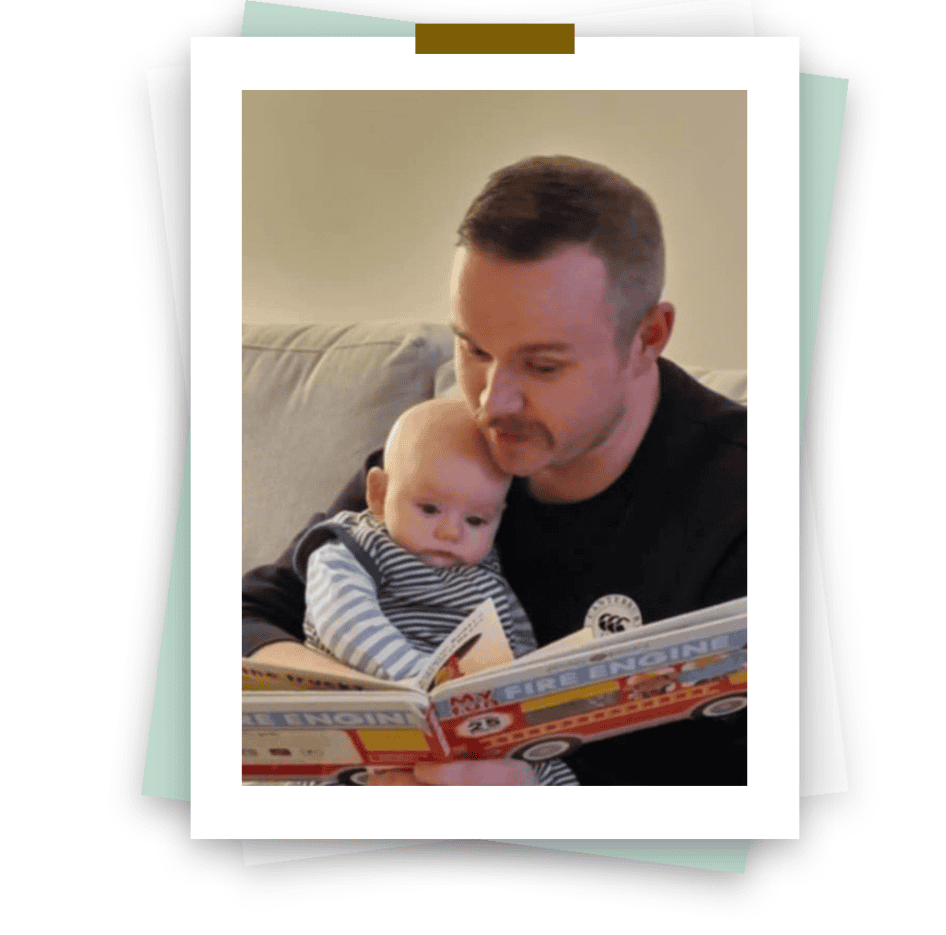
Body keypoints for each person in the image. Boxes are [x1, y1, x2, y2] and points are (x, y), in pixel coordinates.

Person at [243, 154, 747, 786]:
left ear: (649, 337)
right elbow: (249, 612)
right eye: (474, 349)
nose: (489, 401)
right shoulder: (446, 448)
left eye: (541, 365)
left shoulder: (748, 503)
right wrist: (390, 721)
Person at [298, 398, 577, 786]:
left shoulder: (485, 574)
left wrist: (530, 703)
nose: (451, 532)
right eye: (429, 509)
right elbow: (343, 620)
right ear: (379, 494)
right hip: (380, 701)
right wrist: (415, 681)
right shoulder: (355, 547)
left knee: (548, 768)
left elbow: (518, 641)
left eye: (477, 519)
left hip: (466, 719)